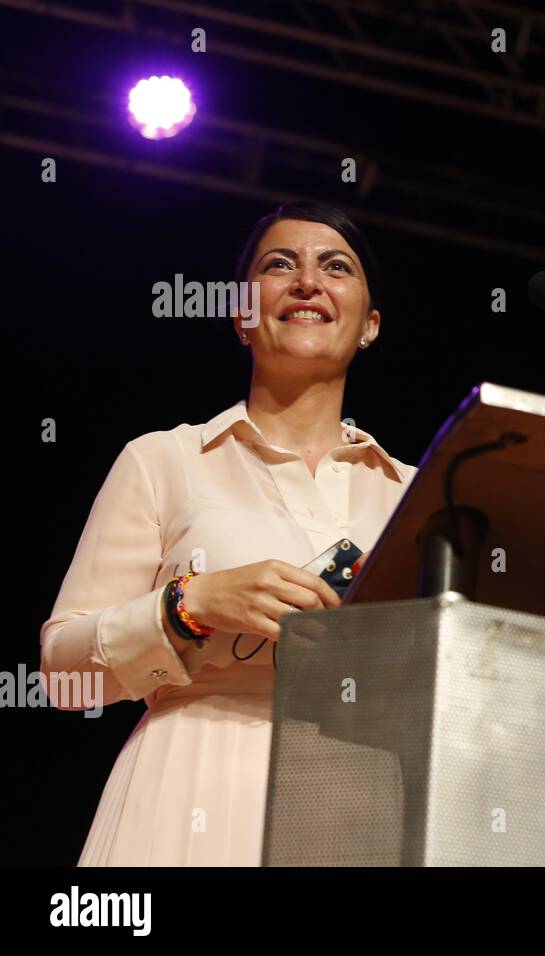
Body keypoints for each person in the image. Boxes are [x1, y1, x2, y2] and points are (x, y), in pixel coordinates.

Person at [40, 201, 416, 866]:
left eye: (336, 267)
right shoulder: (163, 460)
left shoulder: (418, 494)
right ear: (243, 314)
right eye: (280, 265)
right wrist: (189, 605)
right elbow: (63, 677)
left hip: (362, 803)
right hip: (189, 782)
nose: (307, 282)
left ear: (371, 325)